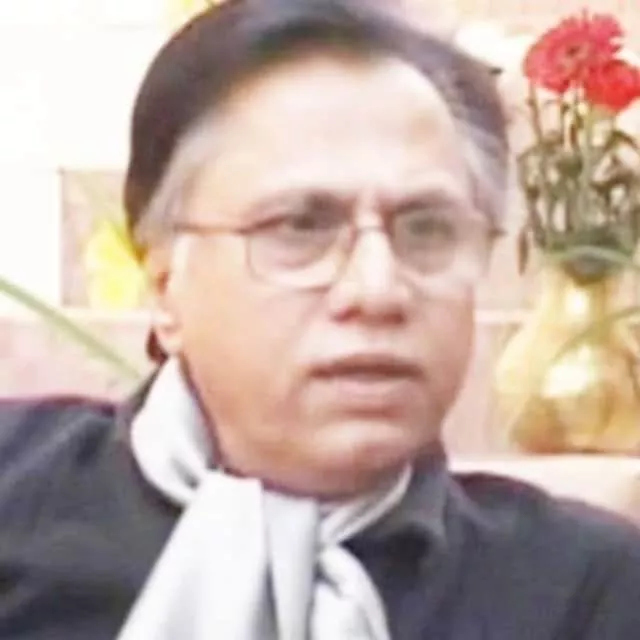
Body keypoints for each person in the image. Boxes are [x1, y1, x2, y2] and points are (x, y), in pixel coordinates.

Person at [1, 1, 640, 638]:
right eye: (301, 226)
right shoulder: (19, 497)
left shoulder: (583, 592)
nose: (377, 289)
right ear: (166, 287)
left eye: (427, 230)